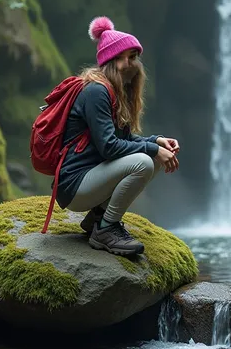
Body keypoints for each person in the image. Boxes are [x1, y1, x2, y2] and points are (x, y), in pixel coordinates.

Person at [55, 16, 179, 256]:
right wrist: (152, 150)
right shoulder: (96, 91)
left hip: (91, 180)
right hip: (74, 184)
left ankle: (96, 219)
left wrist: (155, 141)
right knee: (144, 161)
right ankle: (106, 228)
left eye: (134, 57)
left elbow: (124, 139)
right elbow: (110, 148)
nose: (130, 64)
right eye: (124, 58)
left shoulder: (113, 92)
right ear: (109, 61)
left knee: (150, 158)